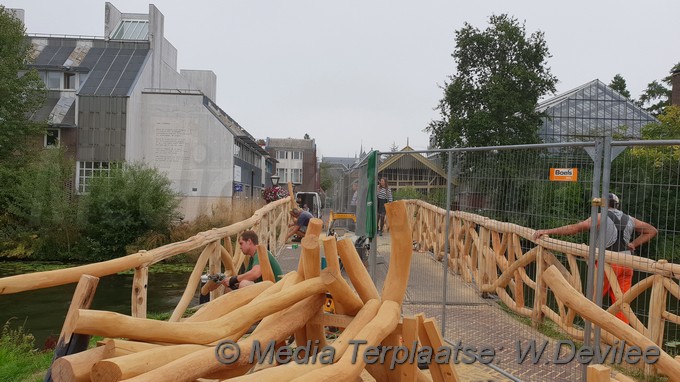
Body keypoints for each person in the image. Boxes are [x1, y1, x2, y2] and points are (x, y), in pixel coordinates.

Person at [533, 193, 657, 323]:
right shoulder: (631, 219)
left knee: (593, 302)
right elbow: (652, 230)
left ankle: (591, 332)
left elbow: (576, 228)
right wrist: (633, 244)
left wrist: (548, 231)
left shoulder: (599, 217)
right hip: (626, 263)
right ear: (618, 205)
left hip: (606, 264)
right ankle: (619, 339)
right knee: (622, 304)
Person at [203, 230, 283, 294]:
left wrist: (234, 279)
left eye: (241, 243)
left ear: (249, 241)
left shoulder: (259, 253)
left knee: (244, 284)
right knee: (229, 289)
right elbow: (248, 276)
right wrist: (229, 282)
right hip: (268, 288)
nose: (240, 247)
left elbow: (255, 273)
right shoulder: (252, 258)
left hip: (275, 291)